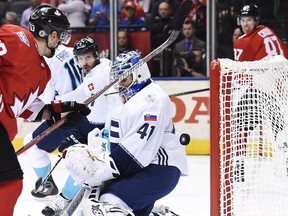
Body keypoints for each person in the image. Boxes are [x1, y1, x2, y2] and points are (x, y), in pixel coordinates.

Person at [64, 50, 188, 216]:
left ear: (138, 74)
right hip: (140, 167)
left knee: (108, 203)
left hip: (159, 169)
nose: (119, 85)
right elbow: (117, 139)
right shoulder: (130, 99)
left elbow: (137, 149)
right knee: (98, 201)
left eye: (123, 79)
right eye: (117, 80)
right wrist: (98, 156)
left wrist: (101, 172)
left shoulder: (153, 100)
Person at [0, 5, 90, 216]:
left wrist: (59, 112)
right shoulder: (18, 37)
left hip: (3, 130)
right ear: (49, 33)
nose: (60, 43)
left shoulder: (43, 72)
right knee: (10, 183)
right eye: (59, 35)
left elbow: (27, 108)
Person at [39, 36, 121, 216]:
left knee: (86, 163)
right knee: (73, 155)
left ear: (96, 56)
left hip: (104, 128)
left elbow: (78, 95)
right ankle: (66, 197)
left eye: (88, 57)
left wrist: (51, 105)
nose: (84, 62)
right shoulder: (96, 70)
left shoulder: (101, 72)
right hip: (90, 124)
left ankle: (68, 200)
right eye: (80, 58)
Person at [232, 3, 288, 182]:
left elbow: (241, 72)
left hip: (262, 87)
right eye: (243, 20)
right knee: (280, 128)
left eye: (249, 20)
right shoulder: (267, 30)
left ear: (256, 21)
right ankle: (285, 162)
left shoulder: (242, 41)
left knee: (240, 125)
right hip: (281, 84)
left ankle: (239, 164)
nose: (246, 24)